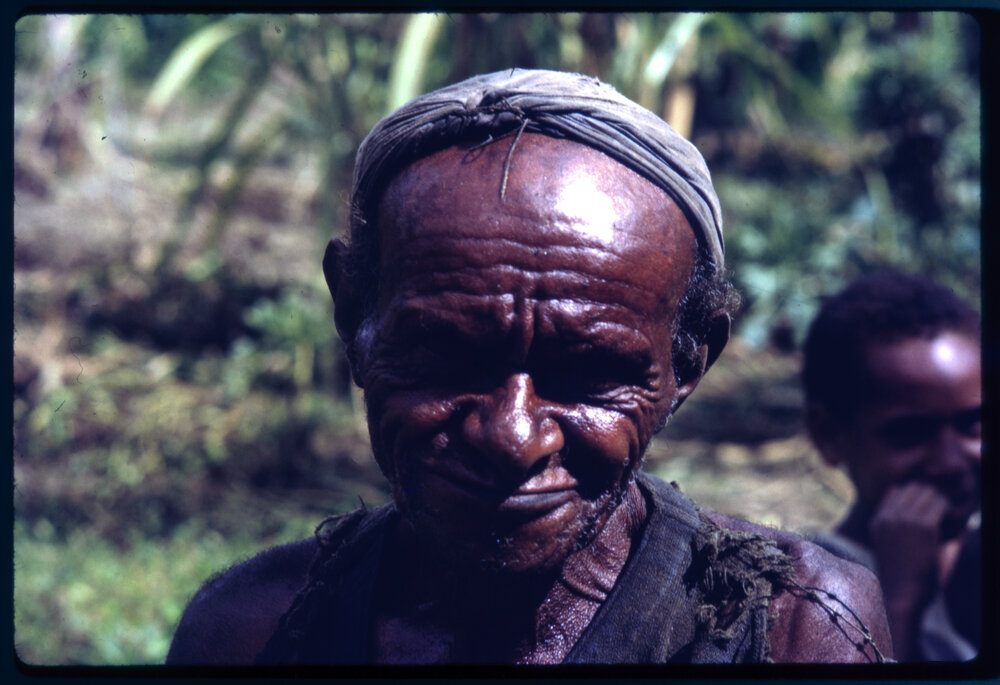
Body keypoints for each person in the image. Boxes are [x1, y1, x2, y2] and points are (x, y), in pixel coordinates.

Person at [166, 69, 891, 665]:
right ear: (355, 317)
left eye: (587, 373)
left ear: (689, 358)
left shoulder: (796, 634)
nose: (512, 438)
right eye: (446, 356)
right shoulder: (251, 634)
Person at [803, 272, 981, 661]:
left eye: (974, 424)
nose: (950, 463)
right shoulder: (806, 585)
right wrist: (896, 604)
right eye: (910, 434)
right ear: (829, 437)